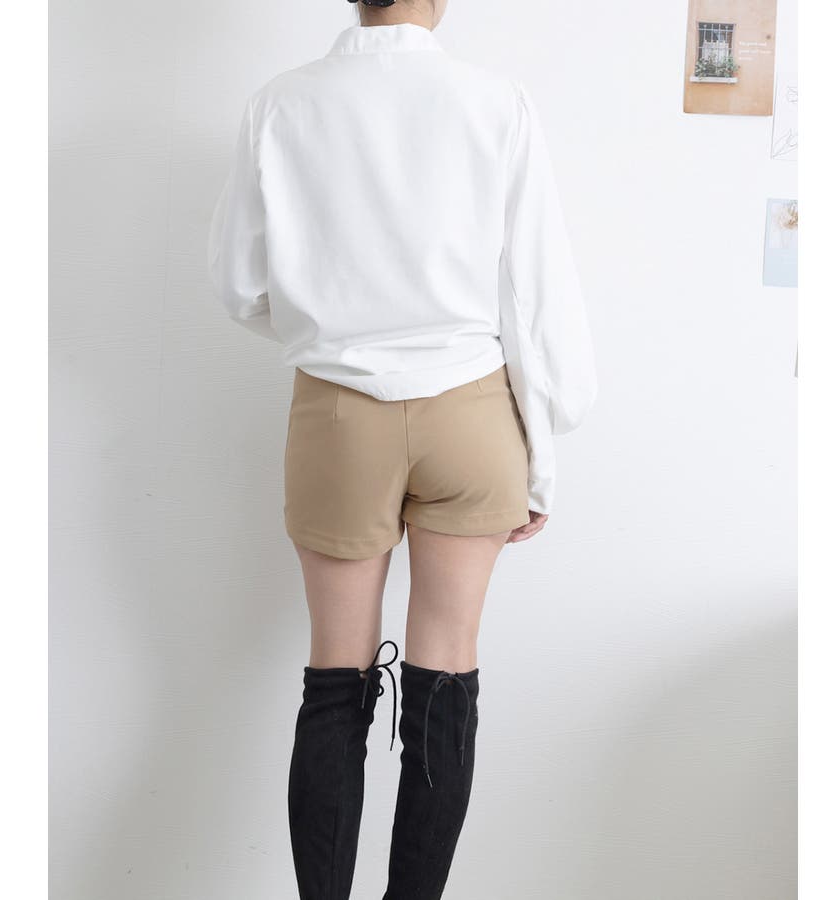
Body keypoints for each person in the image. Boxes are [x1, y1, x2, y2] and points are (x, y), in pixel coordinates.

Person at [207, 0, 597, 897]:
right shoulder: (495, 101)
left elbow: (238, 287)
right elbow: (536, 292)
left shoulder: (281, 103)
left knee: (335, 679)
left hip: (339, 415)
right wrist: (542, 454)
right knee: (446, 671)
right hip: (473, 412)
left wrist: (331, 334)